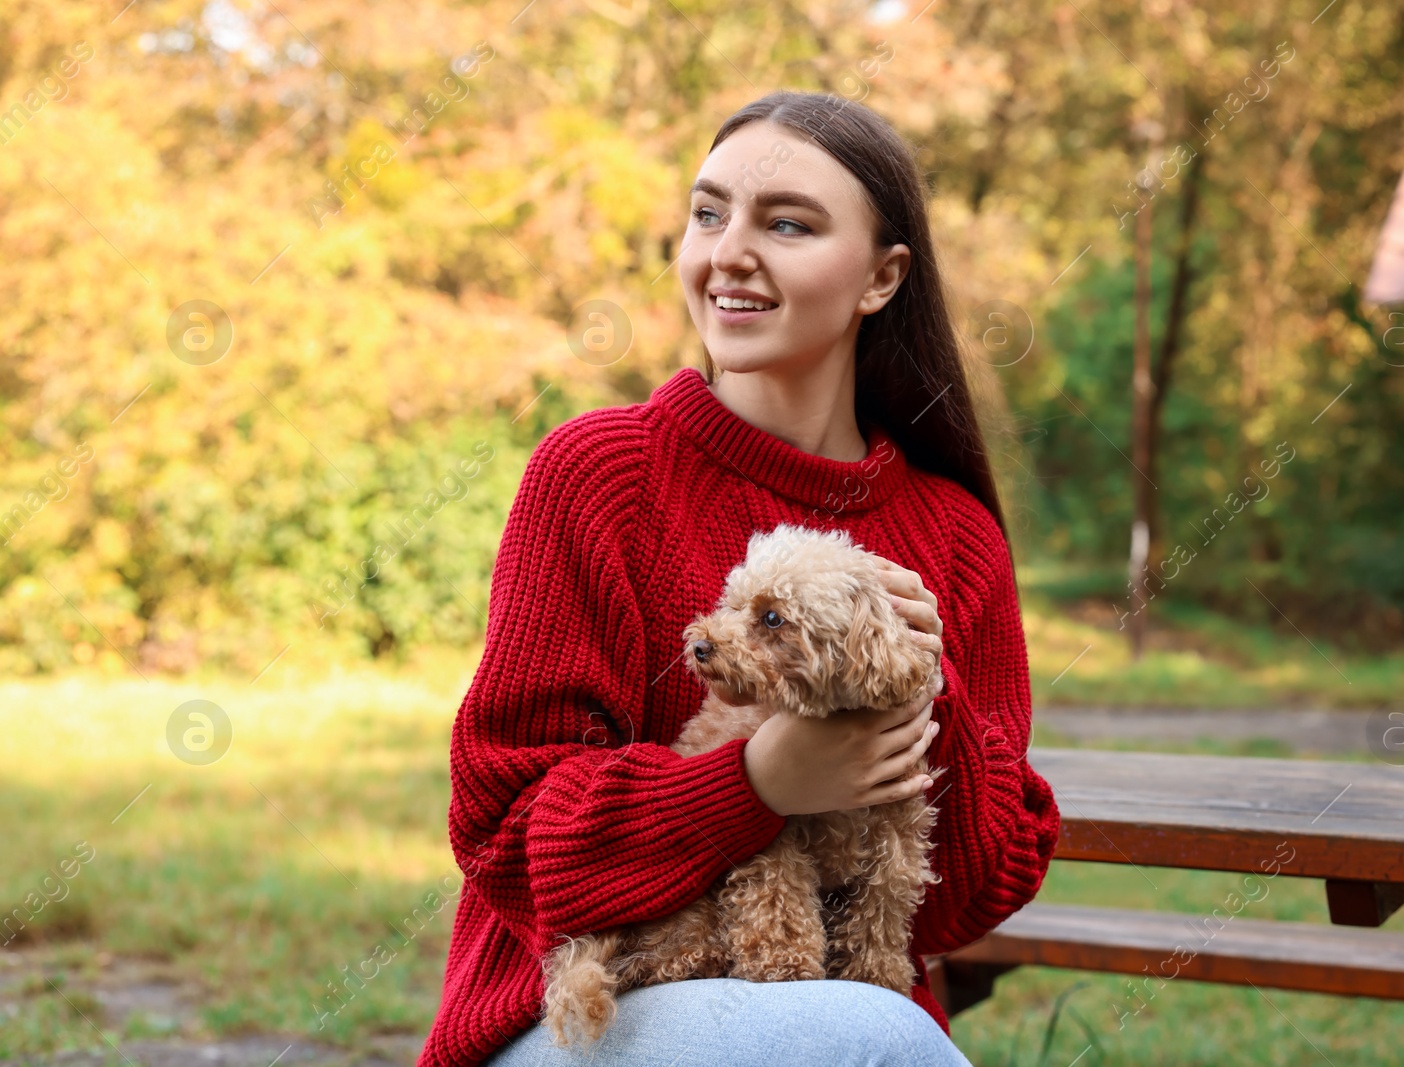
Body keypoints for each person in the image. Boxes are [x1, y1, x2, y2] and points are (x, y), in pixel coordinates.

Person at [416, 89, 1060, 1067]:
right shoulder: (598, 473)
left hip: (834, 1016)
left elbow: (975, 888)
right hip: (589, 1007)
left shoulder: (955, 534)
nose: (727, 252)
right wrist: (754, 780)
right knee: (874, 1043)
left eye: (786, 223)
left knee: (865, 1035)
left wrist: (921, 683)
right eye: (708, 212)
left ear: (882, 277)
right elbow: (506, 836)